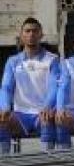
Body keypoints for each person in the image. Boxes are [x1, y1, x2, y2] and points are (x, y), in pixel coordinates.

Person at [0, 18, 59, 153]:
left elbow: (54, 88)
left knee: (47, 120)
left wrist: (47, 107)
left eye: (35, 31)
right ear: (21, 35)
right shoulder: (12, 61)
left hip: (42, 113)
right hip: (20, 114)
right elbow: (6, 88)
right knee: (2, 121)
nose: (31, 34)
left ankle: (48, 164)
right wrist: (4, 108)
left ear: (41, 35)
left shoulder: (52, 59)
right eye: (27, 31)